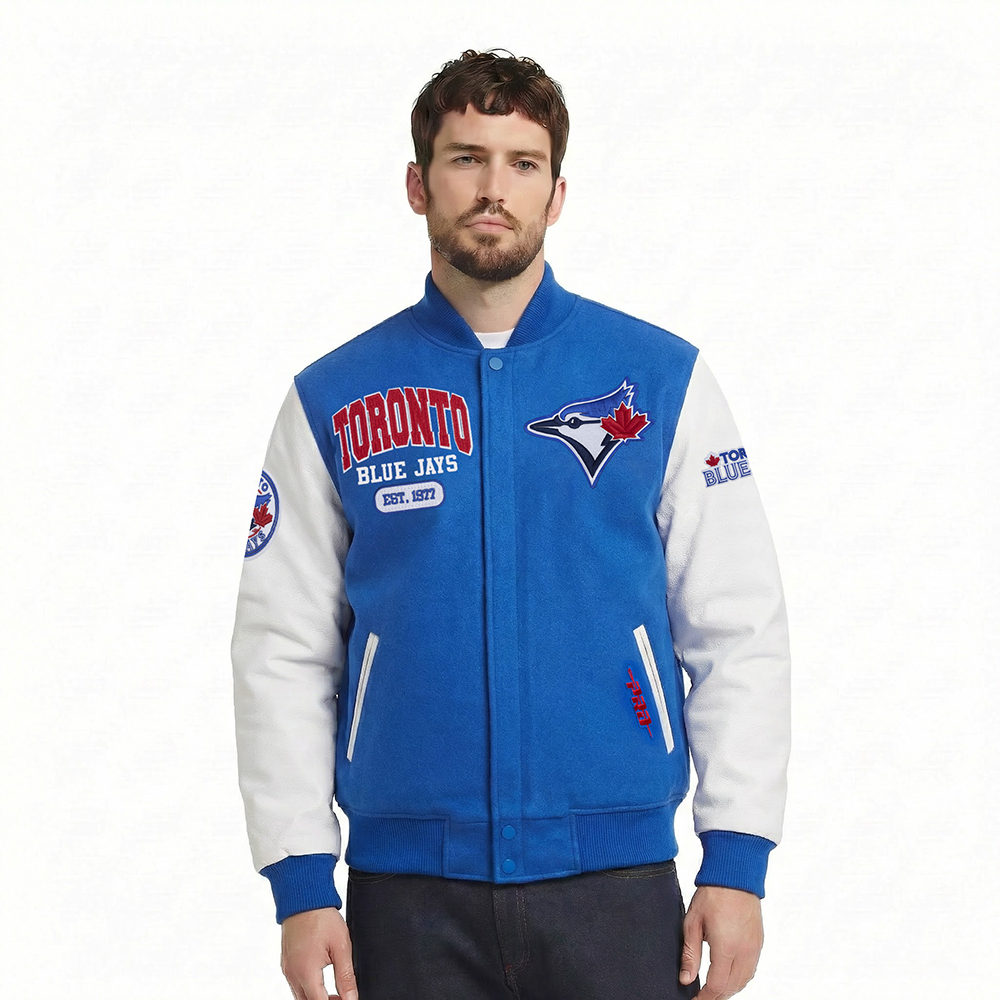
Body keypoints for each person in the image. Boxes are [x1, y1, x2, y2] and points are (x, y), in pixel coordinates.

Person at [231, 47, 791, 1000]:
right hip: (406, 897)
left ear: (556, 195)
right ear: (418, 184)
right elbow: (280, 647)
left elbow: (738, 628)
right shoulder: (334, 397)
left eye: (522, 163)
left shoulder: (662, 381)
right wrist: (299, 879)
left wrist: (736, 859)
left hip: (617, 887)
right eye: (466, 158)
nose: (494, 188)